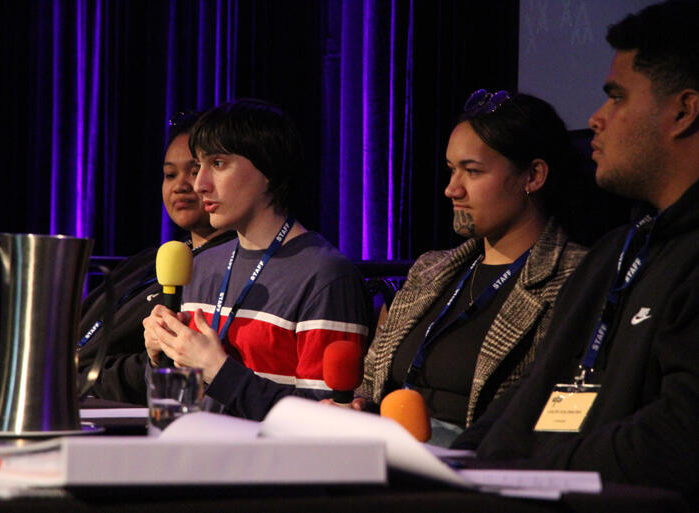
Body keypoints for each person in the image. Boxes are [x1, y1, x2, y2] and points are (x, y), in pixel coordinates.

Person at [452, 0, 699, 497]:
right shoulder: (614, 254)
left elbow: (679, 438)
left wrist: (533, 465)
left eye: (617, 97)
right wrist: (457, 462)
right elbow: (534, 390)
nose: (596, 118)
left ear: (683, 111)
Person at [351, 91, 588, 447]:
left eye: (473, 171)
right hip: (386, 457)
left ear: (533, 176)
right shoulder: (429, 271)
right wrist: (358, 406)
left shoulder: (578, 277)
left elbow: (569, 410)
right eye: (451, 170)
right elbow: (370, 382)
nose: (451, 189)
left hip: (483, 471)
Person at [143, 99, 370, 421]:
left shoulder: (325, 277)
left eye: (218, 164)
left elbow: (326, 420)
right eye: (199, 166)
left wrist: (218, 369)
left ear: (268, 171)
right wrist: (161, 359)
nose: (199, 184)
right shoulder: (203, 265)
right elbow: (182, 408)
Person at [77, 112, 236, 404]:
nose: (182, 185)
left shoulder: (230, 269)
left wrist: (83, 378)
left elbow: (165, 364)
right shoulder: (151, 261)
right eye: (170, 174)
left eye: (195, 169)